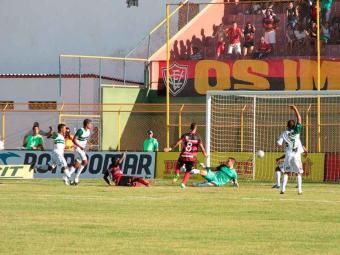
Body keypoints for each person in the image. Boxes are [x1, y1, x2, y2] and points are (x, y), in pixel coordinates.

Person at [164, 123, 207, 188]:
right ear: (195, 128)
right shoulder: (198, 137)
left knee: (178, 166)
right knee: (188, 171)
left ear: (190, 128)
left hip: (183, 155)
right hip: (192, 157)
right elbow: (202, 148)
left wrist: (170, 148)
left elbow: (177, 143)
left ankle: (177, 175)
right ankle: (183, 183)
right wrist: (205, 154)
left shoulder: (185, 135)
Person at [277, 105, 303, 195]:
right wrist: (295, 108)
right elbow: (299, 118)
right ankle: (299, 191)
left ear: (287, 126)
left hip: (288, 154)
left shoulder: (284, 133)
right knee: (298, 173)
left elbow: (279, 144)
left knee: (286, 172)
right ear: (294, 125)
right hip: (296, 155)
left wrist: (284, 143)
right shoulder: (297, 130)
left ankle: (283, 189)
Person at [69, 119, 92, 185]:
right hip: (78, 148)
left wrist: (89, 143)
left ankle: (67, 176)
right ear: (87, 124)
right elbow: (74, 140)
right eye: (90, 124)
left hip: (81, 149)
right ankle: (76, 177)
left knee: (77, 164)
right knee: (85, 162)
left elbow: (84, 139)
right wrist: (80, 146)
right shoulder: (80, 130)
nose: (91, 125)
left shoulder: (88, 131)